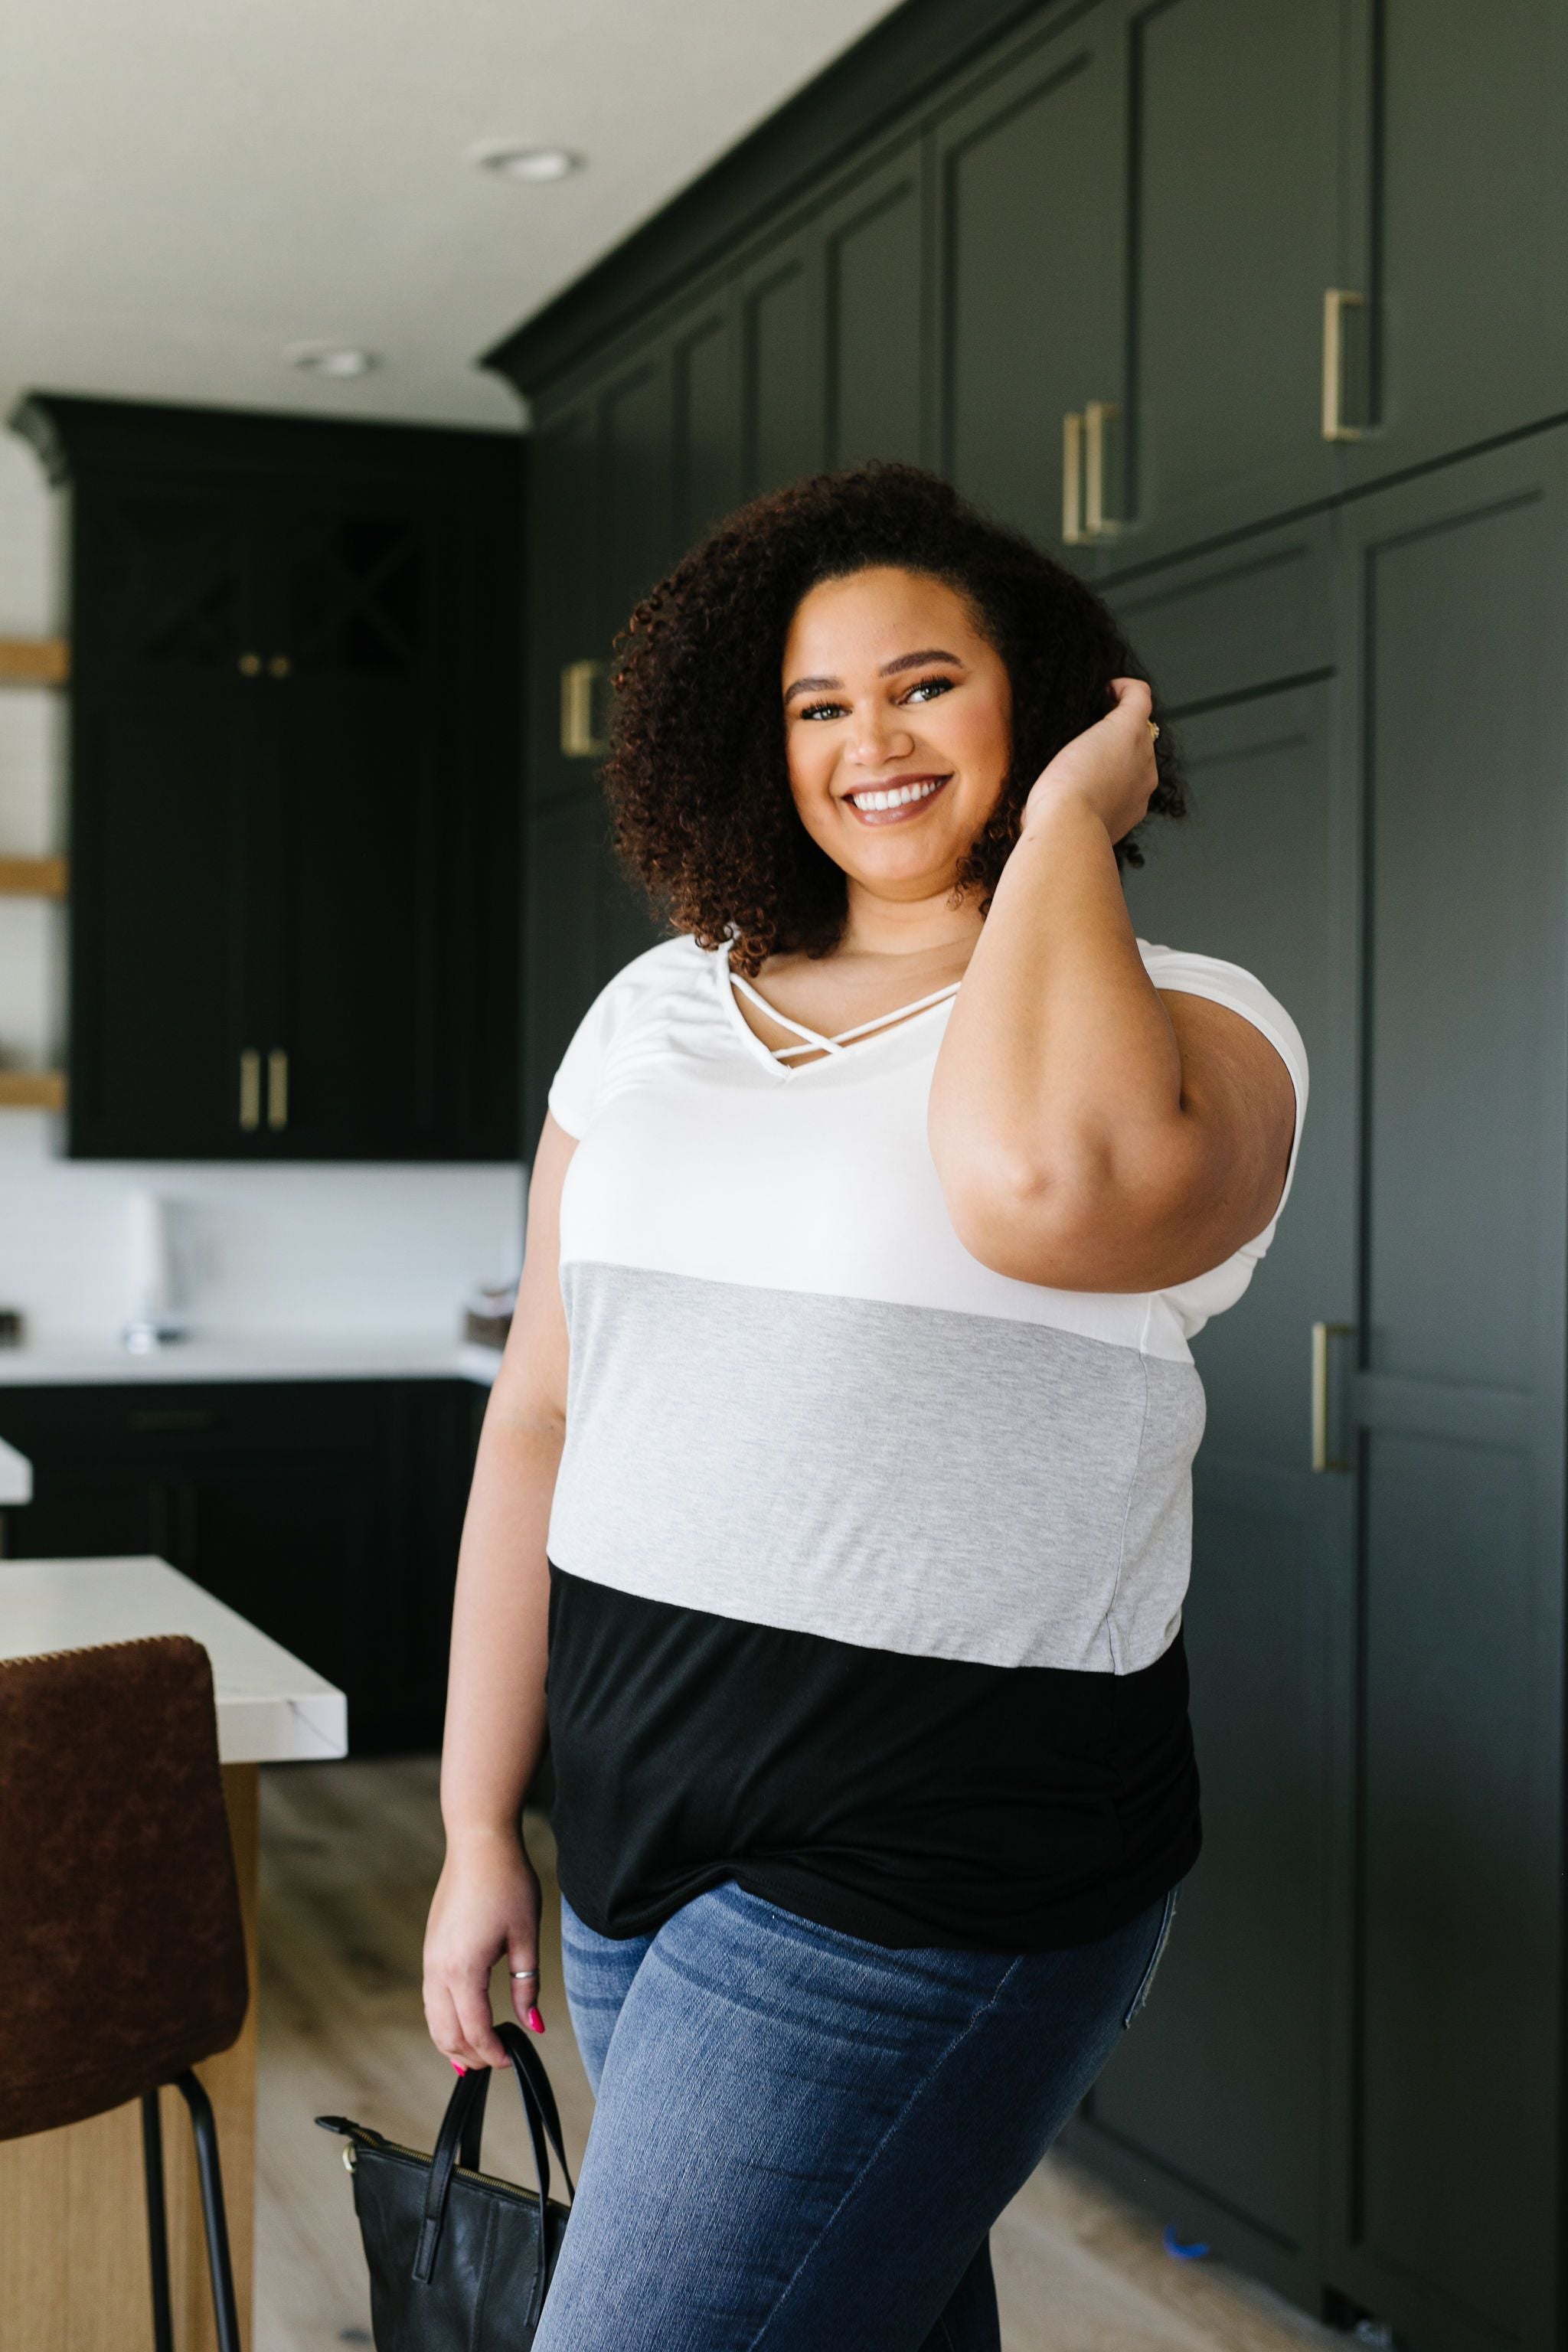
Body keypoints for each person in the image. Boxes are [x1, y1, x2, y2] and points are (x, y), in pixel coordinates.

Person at [422, 462, 1306, 2351]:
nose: (869, 743)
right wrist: (479, 1820)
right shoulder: (656, 1009)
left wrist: (1065, 823)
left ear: (1043, 695)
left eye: (926, 684)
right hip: (632, 1808)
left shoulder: (1195, 1027)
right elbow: (540, 1419)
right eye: (817, 706)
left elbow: (1050, 1192)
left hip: (943, 1841)